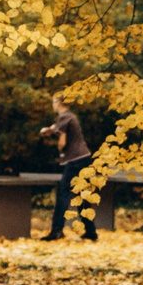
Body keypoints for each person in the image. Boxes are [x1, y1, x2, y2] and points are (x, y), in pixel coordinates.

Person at [39, 94, 95, 241]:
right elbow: (55, 127)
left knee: (63, 193)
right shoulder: (68, 116)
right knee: (82, 196)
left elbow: (62, 141)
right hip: (84, 158)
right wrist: (48, 130)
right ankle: (90, 231)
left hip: (75, 160)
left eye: (53, 102)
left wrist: (60, 151)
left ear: (58, 103)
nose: (53, 105)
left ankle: (56, 231)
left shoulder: (64, 117)